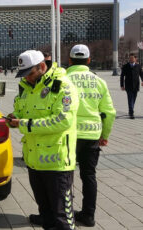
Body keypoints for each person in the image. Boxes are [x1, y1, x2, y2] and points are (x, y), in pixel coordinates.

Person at [8, 50, 78, 230]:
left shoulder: (62, 85)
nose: (27, 78)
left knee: (62, 217)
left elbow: (63, 120)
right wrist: (13, 118)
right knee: (45, 214)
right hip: (34, 162)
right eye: (24, 75)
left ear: (42, 66)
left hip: (57, 163)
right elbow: (21, 111)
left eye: (30, 73)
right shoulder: (26, 87)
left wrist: (24, 124)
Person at [66, 44, 116, 227]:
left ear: (70, 60)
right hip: (92, 134)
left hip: (68, 134)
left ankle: (65, 212)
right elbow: (109, 112)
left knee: (65, 174)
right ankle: (88, 215)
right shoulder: (99, 81)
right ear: (88, 60)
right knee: (89, 175)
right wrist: (105, 134)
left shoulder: (64, 79)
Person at [120, 53, 143, 119]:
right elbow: (122, 76)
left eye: (132, 58)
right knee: (130, 99)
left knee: (134, 99)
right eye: (130, 58)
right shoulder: (125, 66)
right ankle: (131, 112)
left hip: (136, 85)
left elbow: (141, 75)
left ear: (135, 59)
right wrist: (122, 85)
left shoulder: (138, 66)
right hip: (128, 86)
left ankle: (131, 109)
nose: (131, 59)